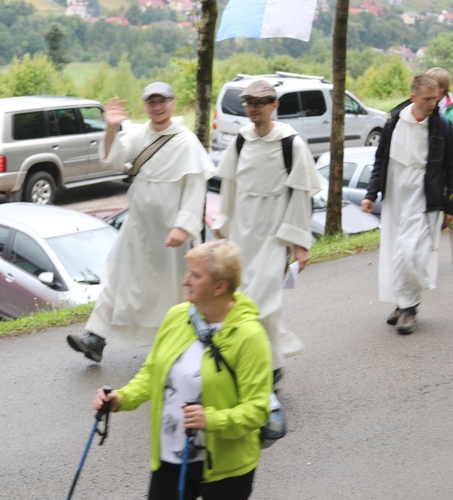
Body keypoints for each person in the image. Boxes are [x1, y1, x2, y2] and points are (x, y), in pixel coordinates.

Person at [93, 239, 271, 499]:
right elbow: (153, 373)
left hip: (226, 470)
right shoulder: (177, 317)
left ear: (219, 286)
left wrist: (212, 420)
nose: (185, 280)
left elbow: (257, 410)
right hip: (171, 457)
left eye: (196, 275)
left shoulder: (249, 336)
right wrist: (121, 398)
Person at [67, 82, 215, 362]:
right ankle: (95, 337)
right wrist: (111, 127)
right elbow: (112, 159)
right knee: (117, 272)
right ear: (145, 105)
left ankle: (186, 341)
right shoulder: (138, 134)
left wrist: (183, 226)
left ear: (172, 103)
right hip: (138, 228)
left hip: (171, 233)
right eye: (151, 102)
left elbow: (196, 187)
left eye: (162, 101)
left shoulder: (186, 141)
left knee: (175, 288)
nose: (157, 107)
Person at [212, 80, 321, 383]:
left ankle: (268, 368)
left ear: (275, 105)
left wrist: (300, 245)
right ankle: (266, 366)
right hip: (242, 237)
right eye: (248, 102)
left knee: (264, 305)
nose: (253, 108)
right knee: (241, 302)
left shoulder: (291, 143)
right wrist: (224, 225)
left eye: (260, 102)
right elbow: (230, 185)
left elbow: (301, 194)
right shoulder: (241, 140)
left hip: (274, 237)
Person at [361, 74, 453, 334]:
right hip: (396, 198)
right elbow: (380, 160)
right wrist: (371, 194)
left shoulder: (442, 126)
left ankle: (409, 308)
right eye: (427, 99)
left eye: (435, 99)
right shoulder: (393, 123)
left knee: (413, 254)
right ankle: (404, 305)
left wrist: (450, 207)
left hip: (426, 201)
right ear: (413, 97)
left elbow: (450, 167)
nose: (433, 104)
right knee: (396, 253)